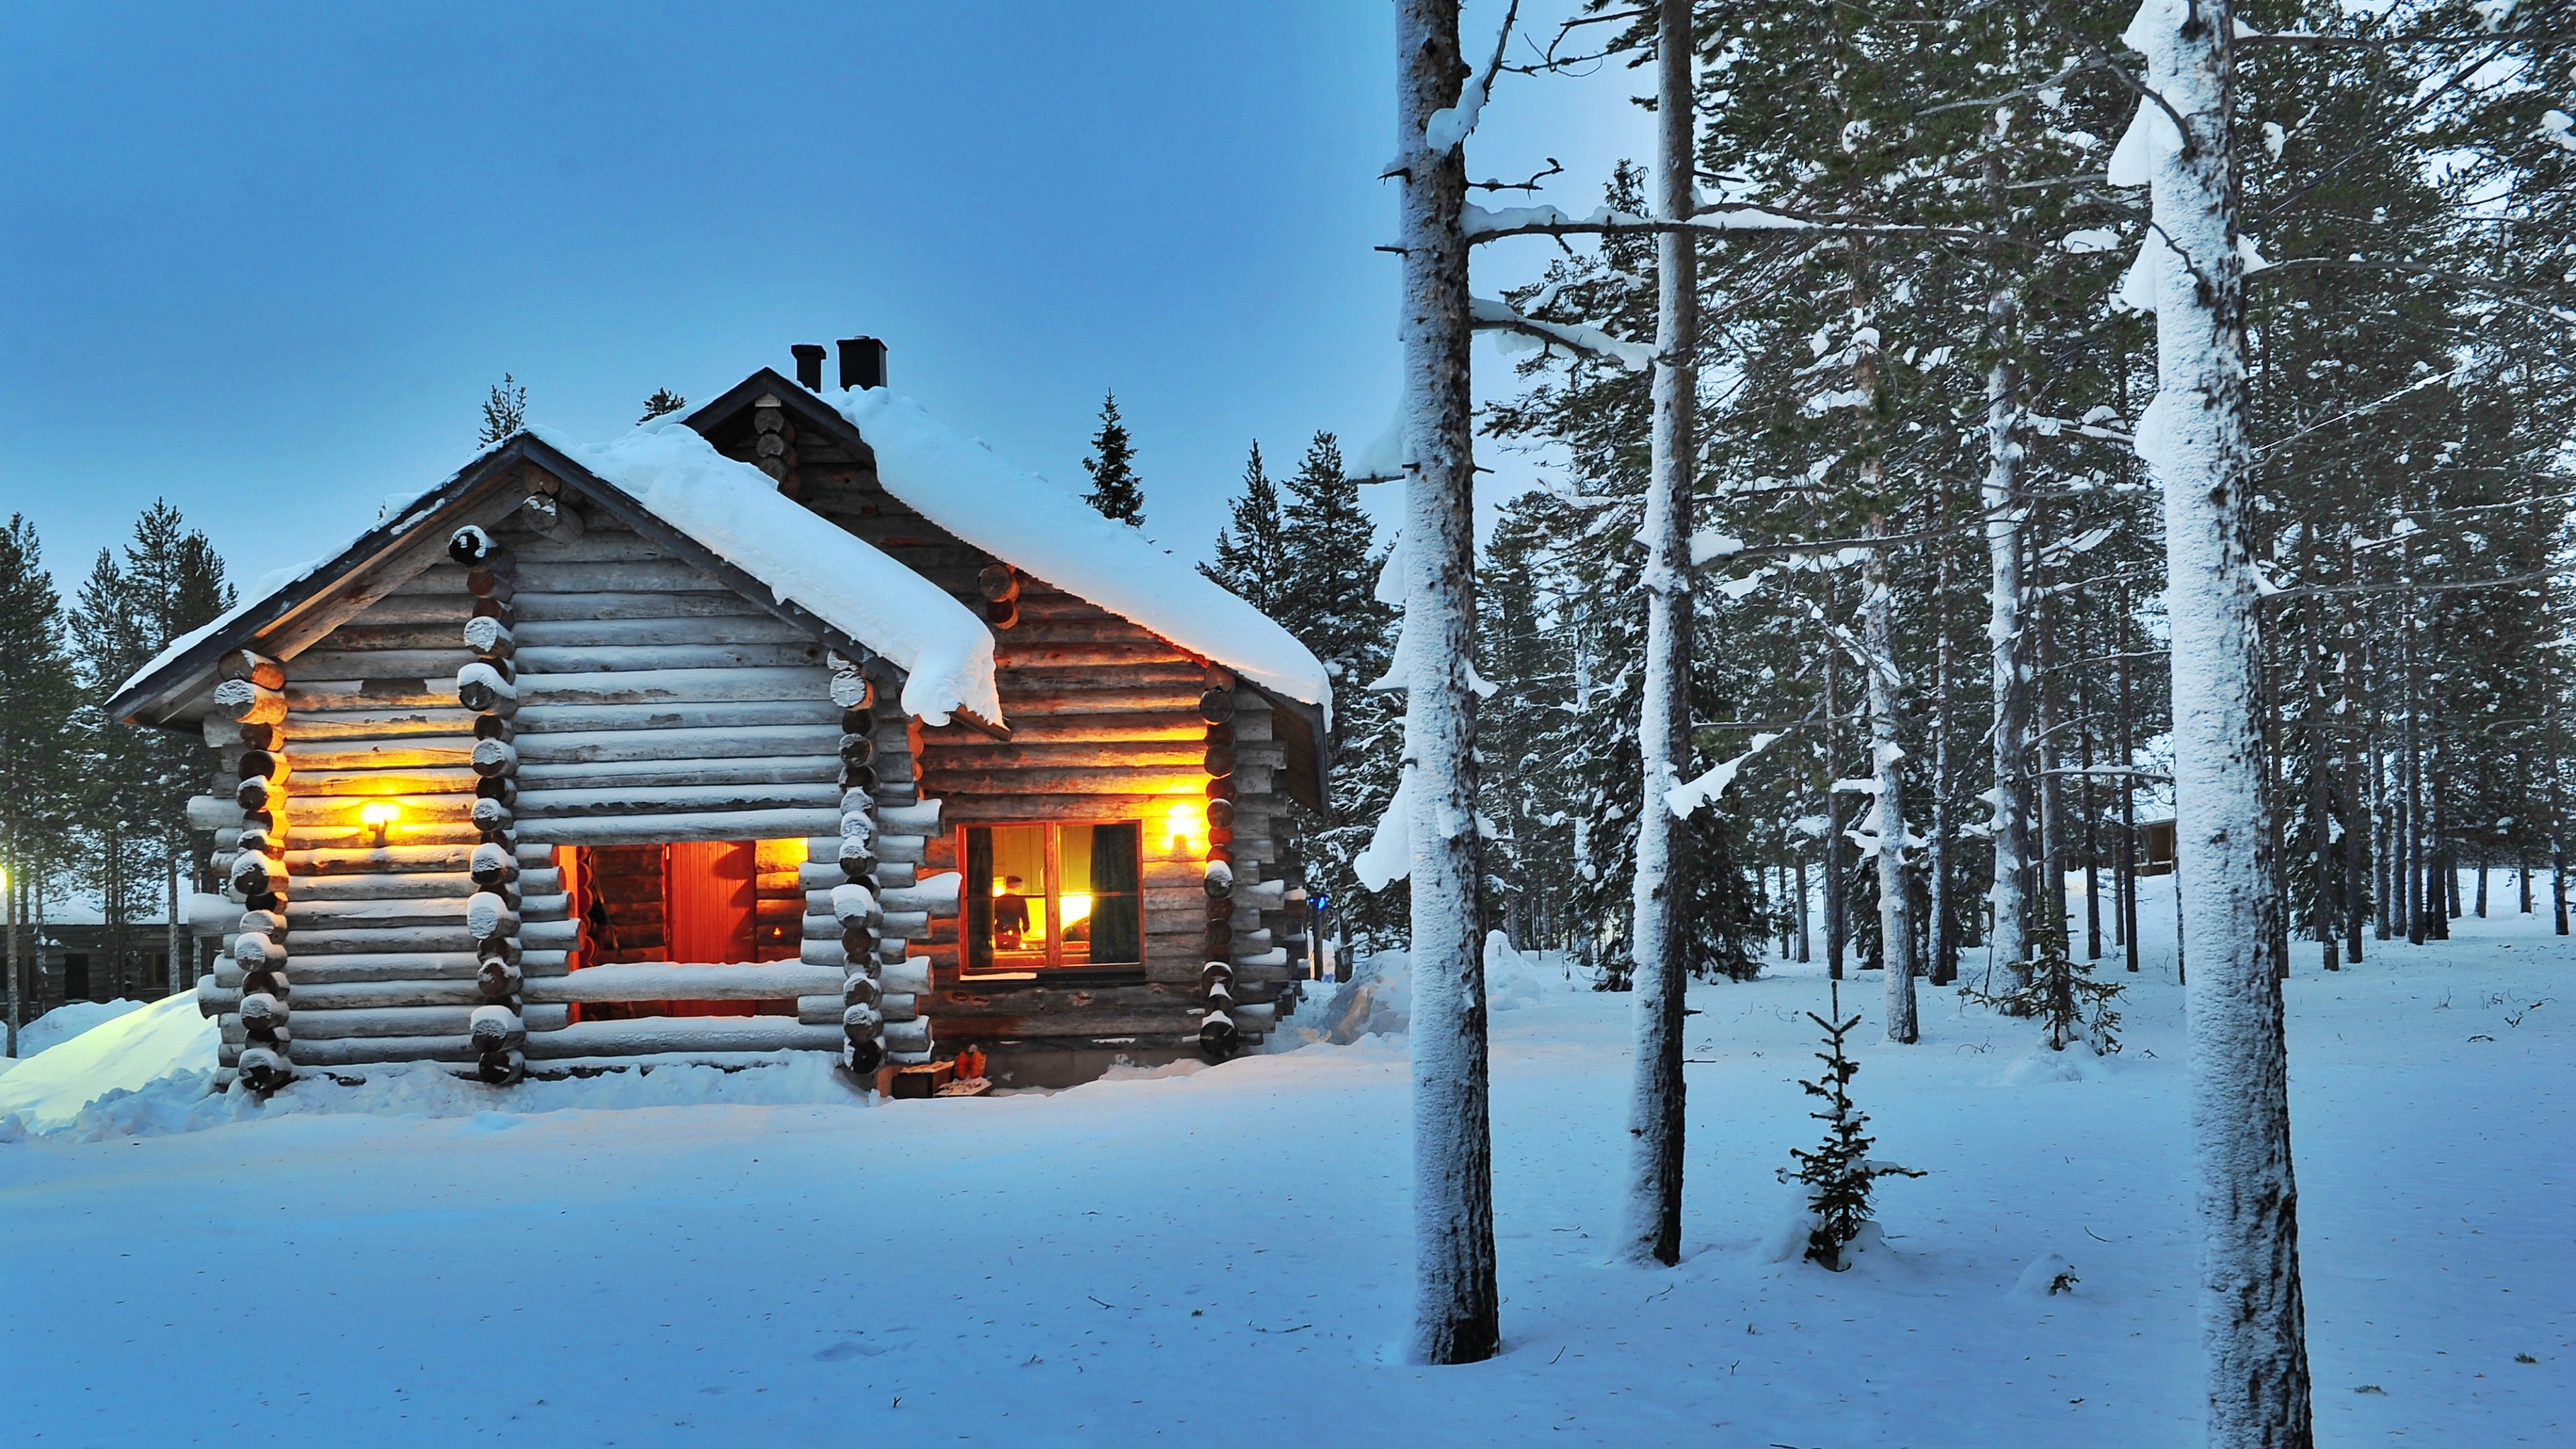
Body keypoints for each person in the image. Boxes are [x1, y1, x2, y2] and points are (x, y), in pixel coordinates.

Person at [993, 875, 1032, 949]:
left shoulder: (997, 900)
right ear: (1018, 887)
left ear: (1006, 886)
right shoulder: (1021, 901)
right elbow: (1026, 923)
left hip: (999, 934)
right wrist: (1026, 930)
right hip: (1014, 934)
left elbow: (992, 920)